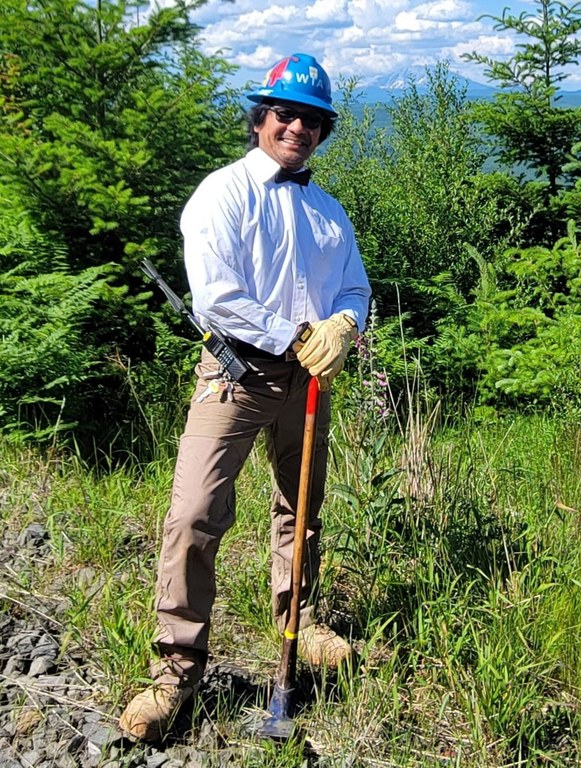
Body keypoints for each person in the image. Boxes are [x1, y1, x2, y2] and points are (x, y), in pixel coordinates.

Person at [119, 52, 371, 742]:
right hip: (235, 374)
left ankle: (301, 620)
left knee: (302, 506)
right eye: (284, 114)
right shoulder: (222, 194)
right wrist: (297, 334)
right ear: (260, 119)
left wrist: (347, 323)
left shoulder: (327, 211)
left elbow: (354, 286)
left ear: (322, 131)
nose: (297, 127)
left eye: (311, 119)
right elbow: (218, 297)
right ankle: (177, 671)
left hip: (307, 381)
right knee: (195, 512)